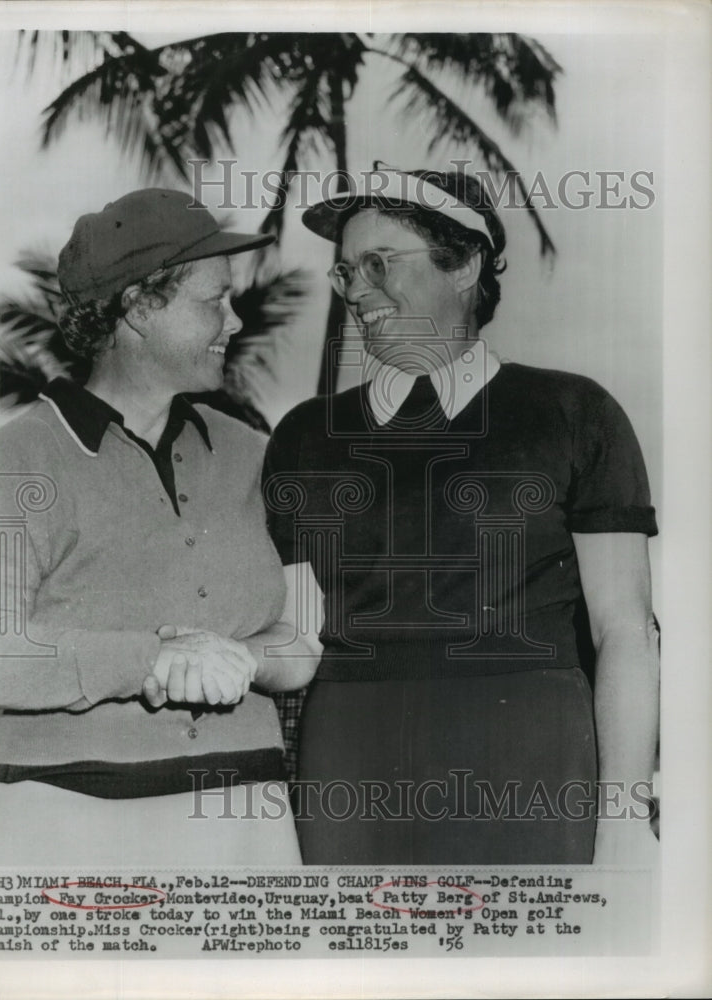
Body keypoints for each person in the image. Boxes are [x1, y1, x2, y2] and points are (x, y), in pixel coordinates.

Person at [263, 164, 660, 866]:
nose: (358, 290)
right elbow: (296, 637)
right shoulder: (303, 435)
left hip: (529, 747)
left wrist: (624, 817)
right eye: (346, 272)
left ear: (466, 264)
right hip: (350, 755)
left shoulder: (573, 413)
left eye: (379, 263)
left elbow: (623, 628)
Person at [0, 188, 317, 866]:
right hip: (69, 821)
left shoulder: (250, 452)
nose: (234, 319)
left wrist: (249, 658)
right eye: (211, 300)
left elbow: (299, 641)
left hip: (243, 815)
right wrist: (152, 658)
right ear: (136, 306)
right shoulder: (20, 457)